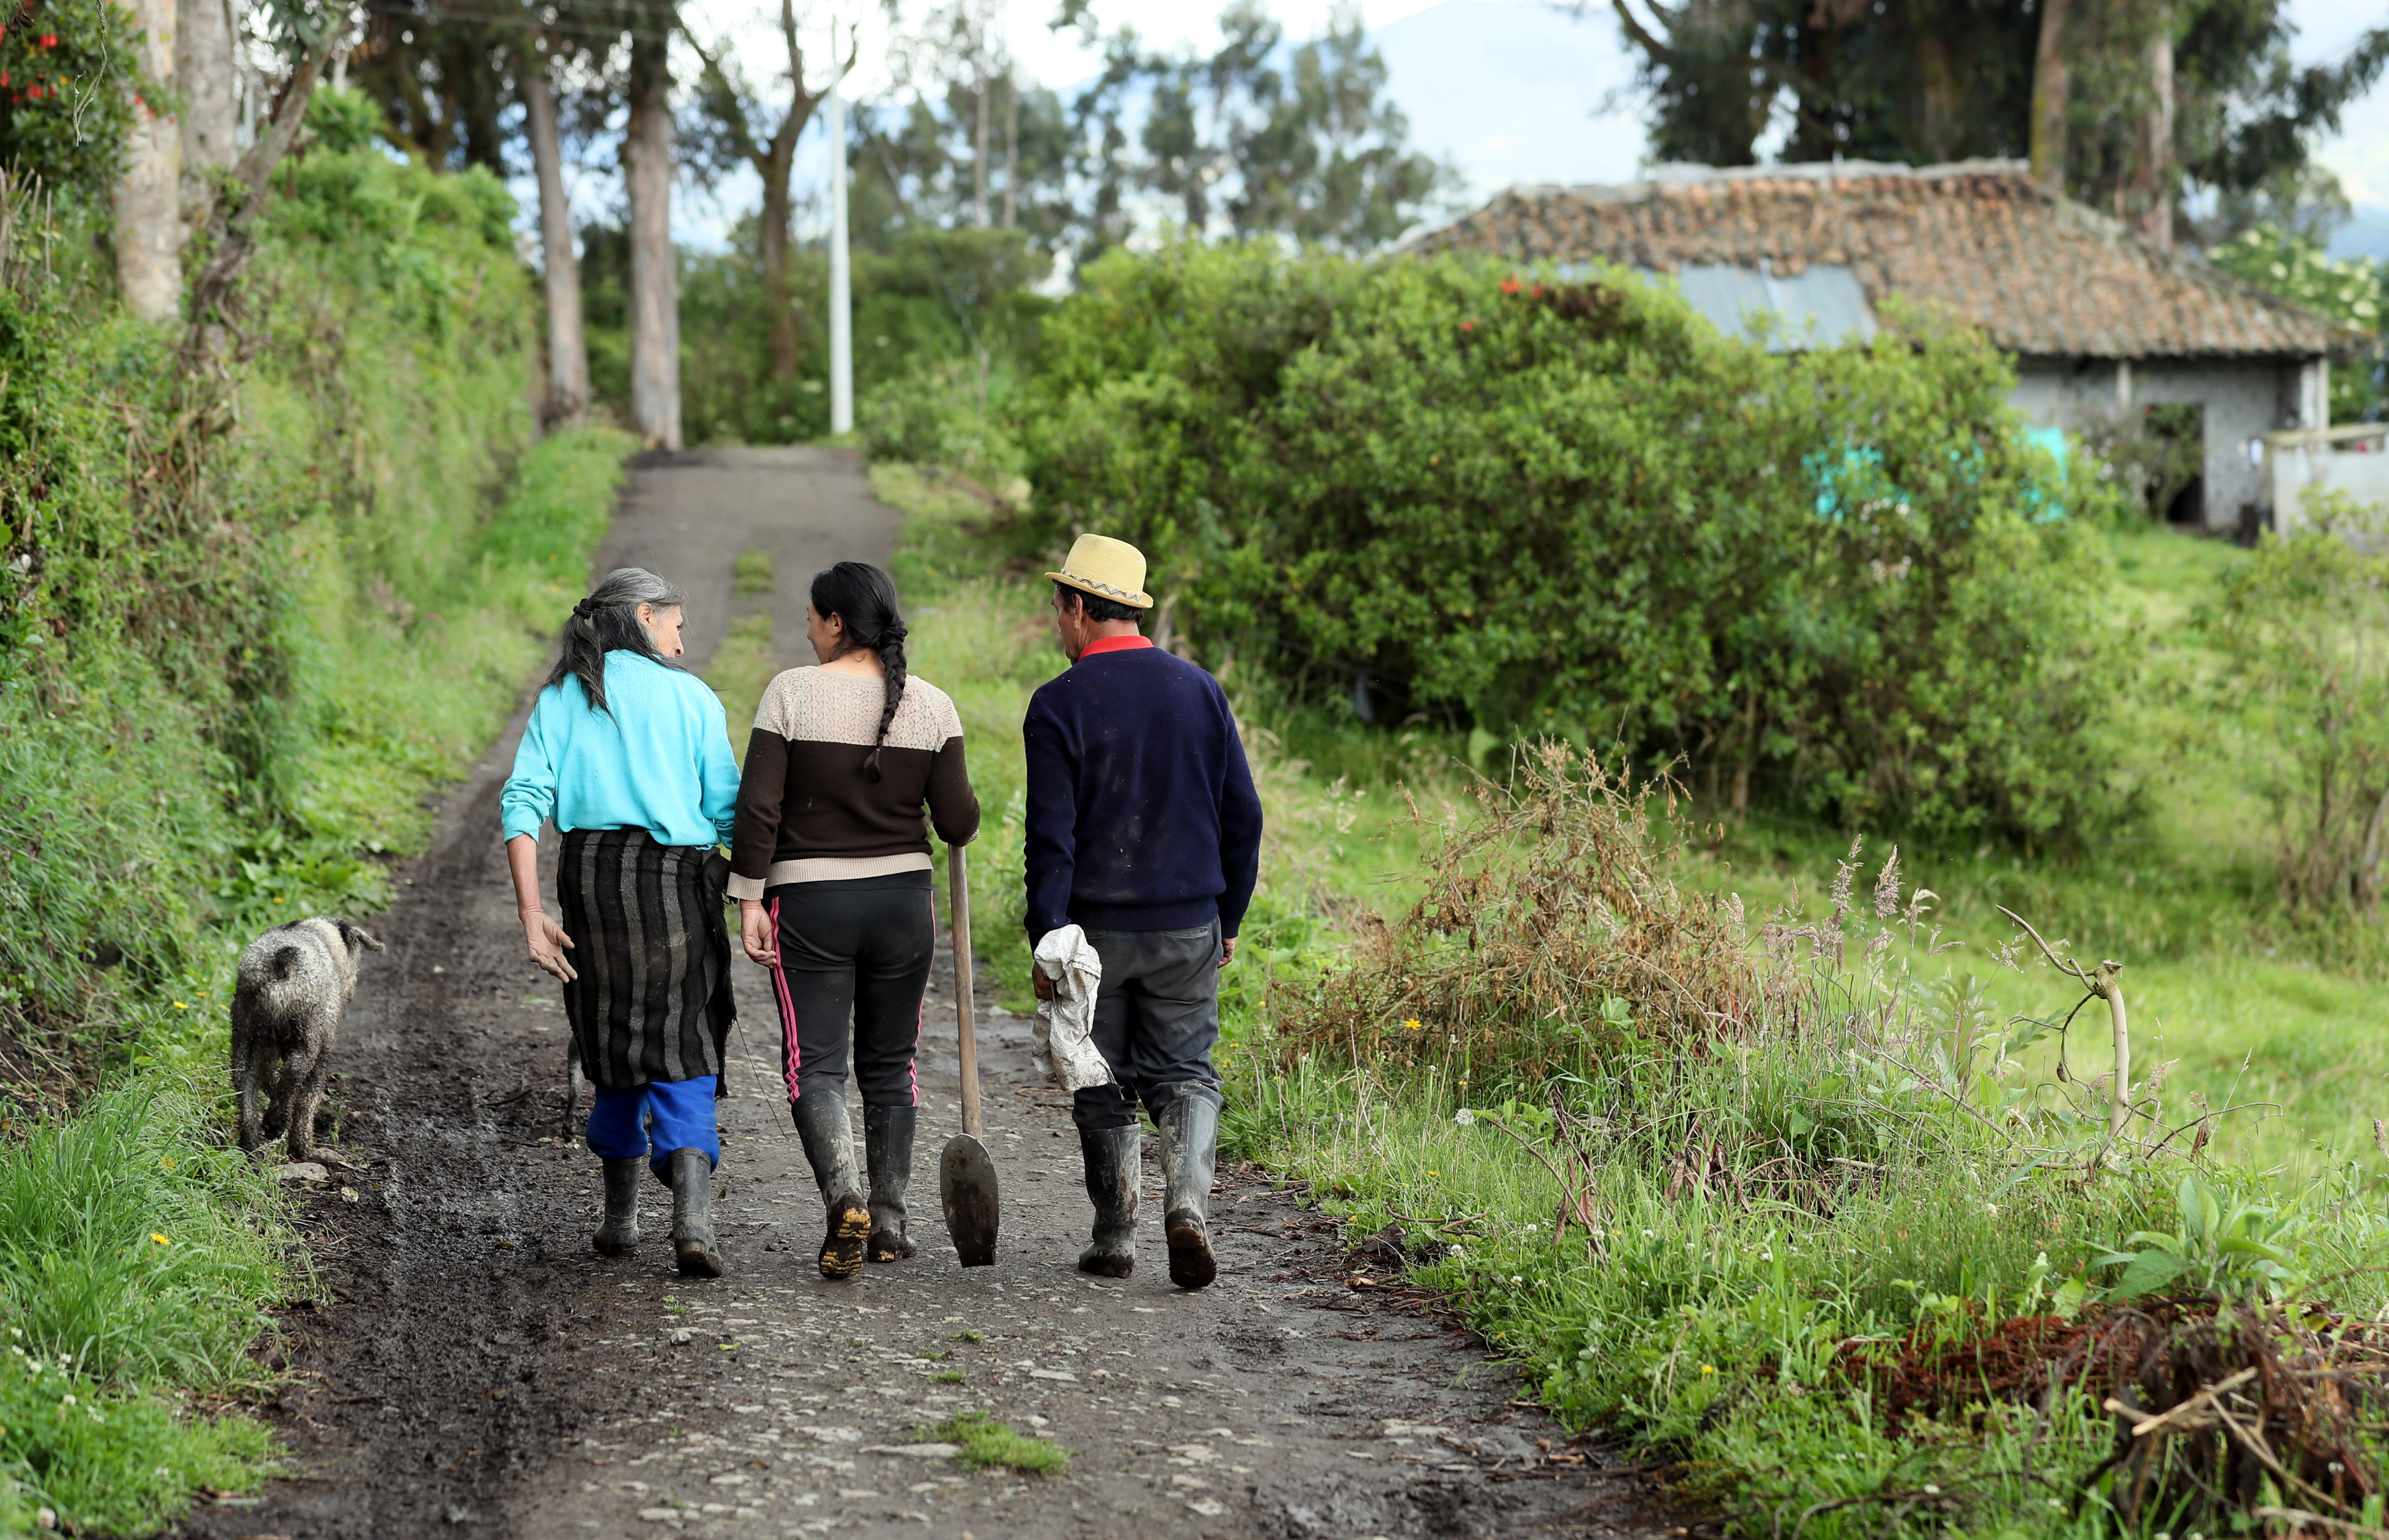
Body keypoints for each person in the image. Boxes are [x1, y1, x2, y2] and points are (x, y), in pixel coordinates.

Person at [1023, 535, 1264, 1289]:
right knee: (1188, 1073)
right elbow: (1244, 816)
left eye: (1060, 609)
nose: (1058, 624)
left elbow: (1050, 839)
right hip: (1188, 924)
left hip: (1093, 936)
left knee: (1099, 1076)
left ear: (1080, 610)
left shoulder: (1059, 704)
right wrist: (1229, 916)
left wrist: (1046, 939)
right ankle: (1187, 1206)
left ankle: (1115, 1236)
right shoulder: (1200, 690)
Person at [730, 562, 978, 1280]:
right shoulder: (934, 708)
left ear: (838, 623)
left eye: (811, 616)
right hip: (904, 903)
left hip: (811, 904)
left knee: (818, 1065)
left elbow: (760, 810)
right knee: (891, 1063)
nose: (805, 629)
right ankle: (891, 1223)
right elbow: (959, 822)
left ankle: (846, 1196)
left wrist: (749, 898)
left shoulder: (791, 695)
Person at [500, 568, 741, 1278]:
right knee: (684, 1038)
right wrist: (757, 895)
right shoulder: (693, 699)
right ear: (642, 615)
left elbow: (523, 803)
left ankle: (620, 1220)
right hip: (677, 886)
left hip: (593, 887)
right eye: (676, 623)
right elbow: (729, 812)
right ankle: (693, 1220)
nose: (681, 637)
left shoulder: (562, 698)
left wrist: (530, 912)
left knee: (611, 1043)